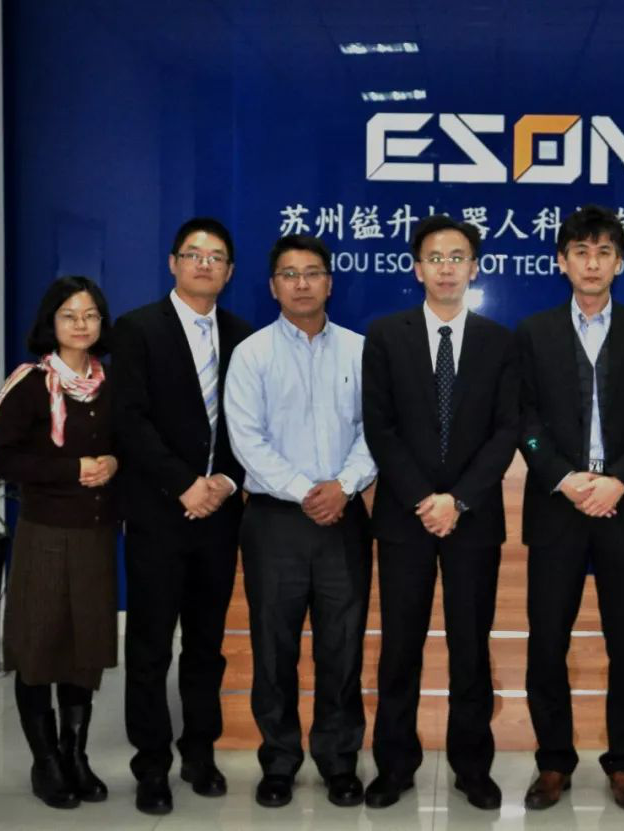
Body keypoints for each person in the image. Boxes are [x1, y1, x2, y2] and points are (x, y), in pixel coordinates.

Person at [361, 215, 518, 811]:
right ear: (417, 267)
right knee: (400, 646)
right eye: (435, 257)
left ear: (474, 267)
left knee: (470, 647)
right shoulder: (386, 335)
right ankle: (394, 765)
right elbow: (380, 426)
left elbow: (507, 430)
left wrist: (459, 499)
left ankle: (472, 767)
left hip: (473, 519)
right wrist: (424, 499)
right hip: (406, 517)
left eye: (457, 257)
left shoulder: (500, 341)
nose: (446, 268)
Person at [516, 205, 624, 812]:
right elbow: (524, 421)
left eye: (604, 252)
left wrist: (619, 481)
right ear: (562, 262)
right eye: (580, 252)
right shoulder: (533, 333)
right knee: (546, 643)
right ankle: (553, 762)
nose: (592, 263)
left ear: (620, 262)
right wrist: (563, 477)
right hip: (558, 507)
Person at [224, 234, 376, 809]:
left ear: (329, 283)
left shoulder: (360, 351)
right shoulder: (252, 354)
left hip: (344, 516)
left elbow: (376, 429)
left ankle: (339, 761)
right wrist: (304, 491)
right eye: (290, 274)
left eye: (313, 273)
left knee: (342, 647)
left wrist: (344, 486)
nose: (302, 283)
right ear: (273, 286)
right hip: (274, 520)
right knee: (274, 647)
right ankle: (279, 761)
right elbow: (246, 438)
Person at [112, 218, 253, 814]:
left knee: (205, 644)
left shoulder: (243, 335)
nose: (204, 264)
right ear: (173, 263)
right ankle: (151, 765)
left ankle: (200, 752)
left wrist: (224, 481)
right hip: (159, 514)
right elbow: (129, 419)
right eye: (194, 254)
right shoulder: (137, 329)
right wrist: (184, 485)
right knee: (150, 646)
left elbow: (249, 424)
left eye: (216, 256)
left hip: (219, 515)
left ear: (230, 271)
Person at [0, 276, 118, 809]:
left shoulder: (110, 384)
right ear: (51, 322)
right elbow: (1, 459)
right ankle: (45, 763)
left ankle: (74, 755)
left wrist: (114, 461)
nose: (81, 324)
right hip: (45, 535)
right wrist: (72, 469)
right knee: (39, 650)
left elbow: (124, 445)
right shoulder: (31, 383)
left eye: (90, 315)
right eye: (69, 315)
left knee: (84, 651)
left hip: (95, 536)